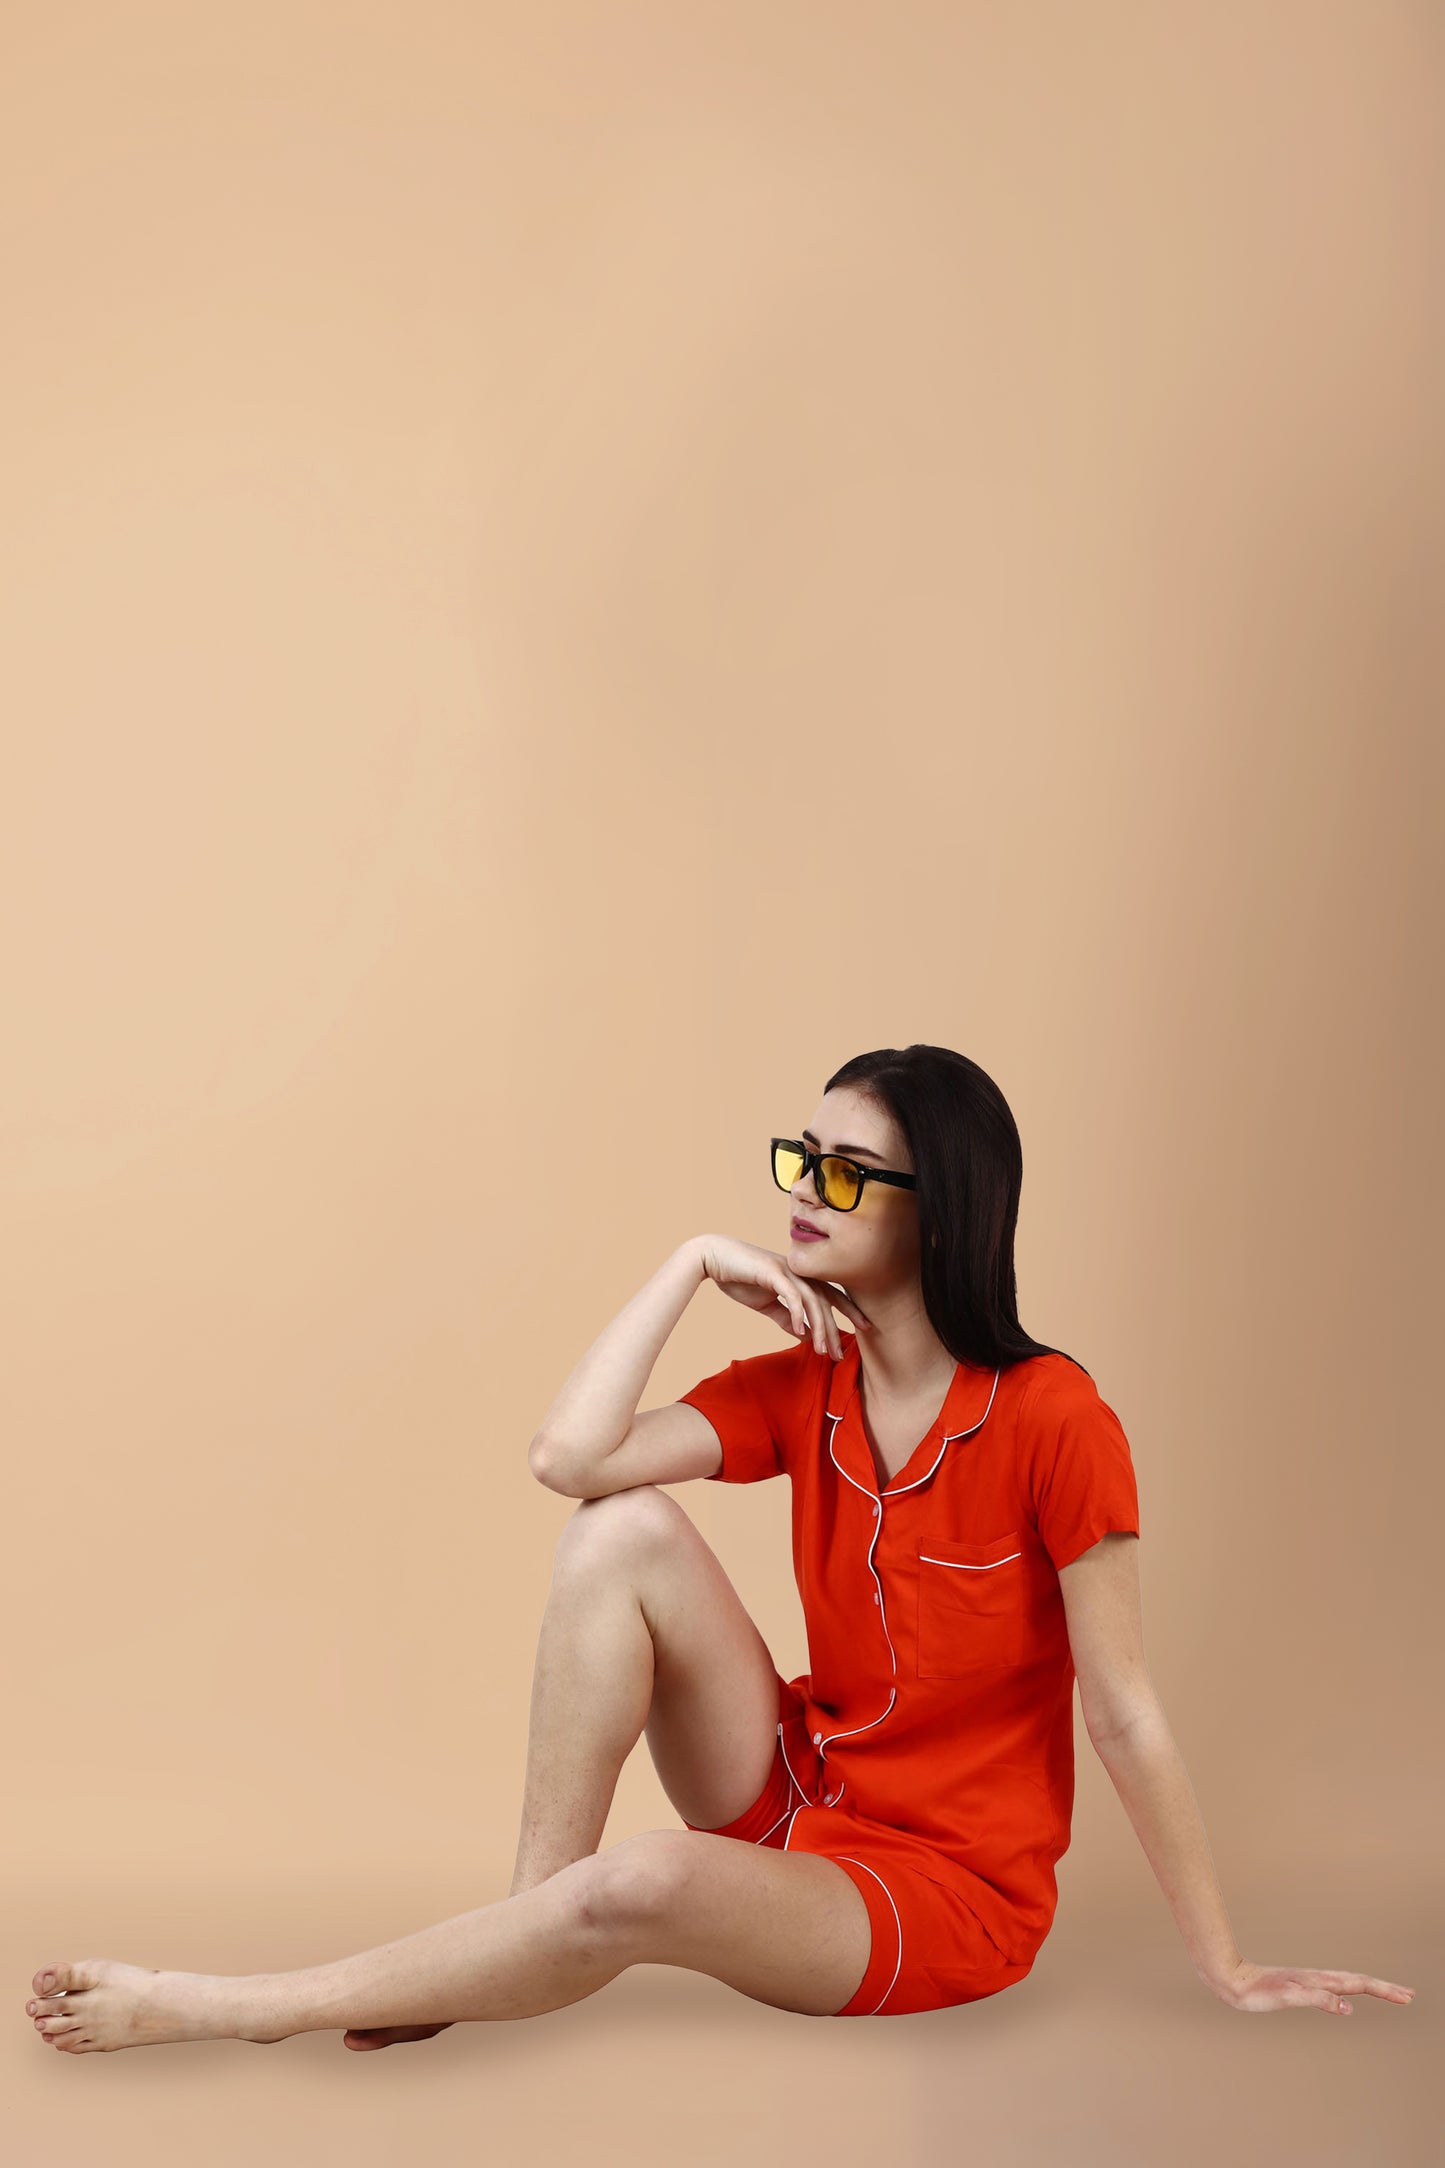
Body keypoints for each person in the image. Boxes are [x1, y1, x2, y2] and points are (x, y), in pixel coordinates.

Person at [25, 1045, 1414, 2050]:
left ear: (943, 1209)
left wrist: (1227, 1964)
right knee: (618, 1532)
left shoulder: (1056, 1418)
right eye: (798, 1159)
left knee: (644, 1880)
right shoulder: (805, 1382)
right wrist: (690, 1261)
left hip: (940, 1896)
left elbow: (1122, 1713)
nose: (804, 1191)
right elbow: (568, 1462)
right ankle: (512, 1941)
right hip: (800, 1785)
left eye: (845, 1173)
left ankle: (226, 2006)